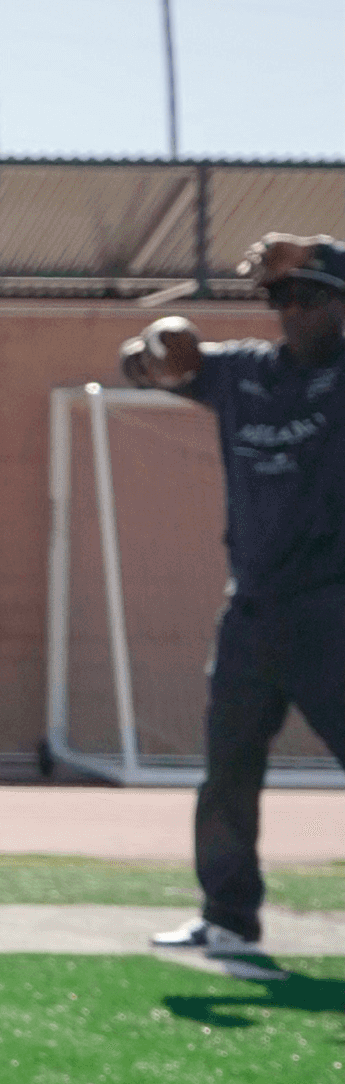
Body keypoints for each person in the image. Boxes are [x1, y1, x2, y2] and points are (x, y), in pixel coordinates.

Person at [120, 231, 345, 981]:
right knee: (226, 771)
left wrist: (316, 248)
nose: (293, 312)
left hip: (332, 611)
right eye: (282, 299)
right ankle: (226, 916)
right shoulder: (242, 372)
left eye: (309, 298)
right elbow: (145, 359)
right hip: (250, 611)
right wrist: (163, 338)